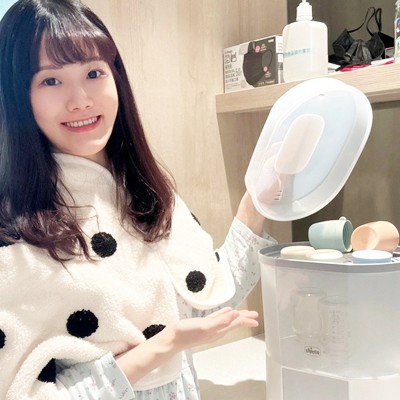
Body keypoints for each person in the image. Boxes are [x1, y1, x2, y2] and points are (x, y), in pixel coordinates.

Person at [0, 0, 277, 398]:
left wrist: (255, 205)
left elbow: (204, 303)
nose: (81, 100)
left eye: (93, 73)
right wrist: (164, 345)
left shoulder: (145, 192)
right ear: (16, 96)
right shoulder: (15, 236)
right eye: (51, 81)